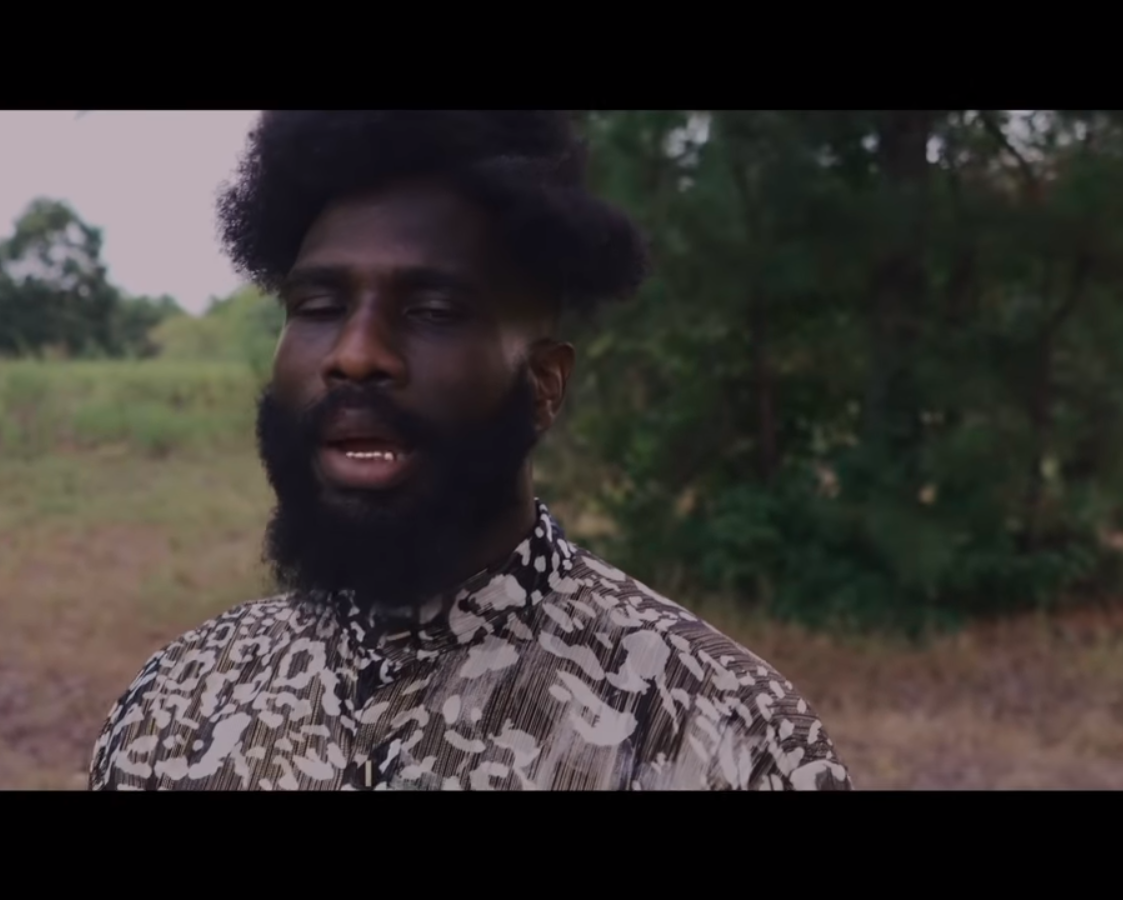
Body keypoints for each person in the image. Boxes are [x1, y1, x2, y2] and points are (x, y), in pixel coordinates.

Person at [87, 110, 853, 791]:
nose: (355, 355)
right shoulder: (180, 703)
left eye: (432, 310)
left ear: (545, 385)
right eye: (318, 306)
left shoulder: (721, 736)